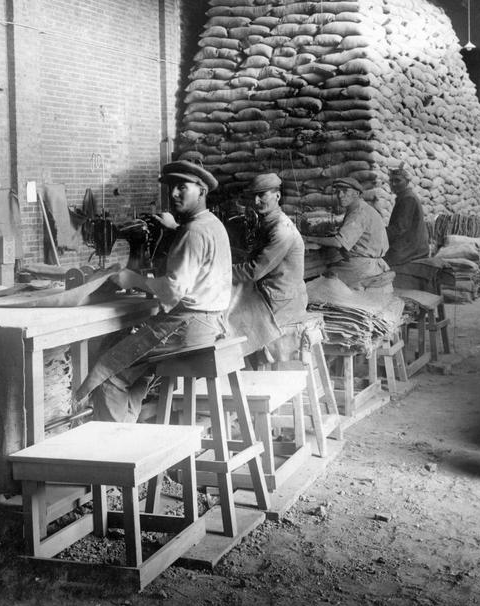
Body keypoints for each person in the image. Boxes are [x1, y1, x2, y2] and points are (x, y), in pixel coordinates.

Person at [74, 158, 233, 423]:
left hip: (189, 325)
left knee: (105, 373)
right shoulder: (213, 225)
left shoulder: (193, 232)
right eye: (171, 187)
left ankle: (117, 456)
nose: (173, 194)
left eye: (182, 187)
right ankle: (130, 435)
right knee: (136, 368)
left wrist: (132, 279)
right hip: (211, 322)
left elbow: (172, 291)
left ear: (202, 191)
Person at [229, 173, 308, 360]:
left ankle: (241, 375)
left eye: (262, 195)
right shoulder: (267, 224)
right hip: (273, 294)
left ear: (277, 196)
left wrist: (220, 272)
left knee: (227, 324)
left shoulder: (281, 230)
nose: (256, 201)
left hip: (281, 302)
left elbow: (254, 271)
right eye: (254, 196)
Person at [306, 177, 389, 289]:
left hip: (362, 267)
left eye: (345, 191)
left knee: (317, 284)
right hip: (370, 264)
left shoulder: (358, 212)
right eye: (338, 191)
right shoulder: (363, 208)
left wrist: (309, 238)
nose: (340, 195)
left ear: (356, 193)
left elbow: (338, 242)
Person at [384, 166, 430, 266]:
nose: (393, 184)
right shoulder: (404, 196)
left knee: (381, 262)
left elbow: (399, 228)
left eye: (397, 180)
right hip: (409, 242)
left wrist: (379, 234)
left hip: (412, 246)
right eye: (391, 181)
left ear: (407, 181)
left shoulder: (408, 198)